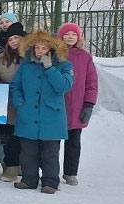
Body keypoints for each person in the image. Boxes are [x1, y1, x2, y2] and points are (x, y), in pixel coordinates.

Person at [11, 31, 74, 193]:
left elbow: (63, 86)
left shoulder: (64, 65)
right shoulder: (26, 65)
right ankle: (28, 179)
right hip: (28, 115)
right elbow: (15, 86)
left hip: (52, 117)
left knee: (50, 153)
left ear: (51, 48)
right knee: (28, 152)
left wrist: (50, 68)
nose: (39, 50)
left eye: (43, 47)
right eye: (37, 47)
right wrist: (20, 104)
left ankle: (50, 182)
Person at [58, 23, 99, 186]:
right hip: (58, 104)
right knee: (52, 142)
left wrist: (89, 104)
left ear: (78, 37)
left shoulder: (85, 57)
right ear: (60, 36)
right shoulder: (55, 55)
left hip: (77, 105)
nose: (70, 37)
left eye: (73, 34)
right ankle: (50, 171)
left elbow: (92, 82)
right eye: (66, 34)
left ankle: (70, 172)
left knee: (74, 141)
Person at [0, 22, 26, 182]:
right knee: (8, 137)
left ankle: (26, 166)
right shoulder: (1, 59)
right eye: (11, 39)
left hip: (27, 103)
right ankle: (10, 166)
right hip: (6, 104)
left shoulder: (32, 58)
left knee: (26, 138)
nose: (14, 41)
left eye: (17, 38)